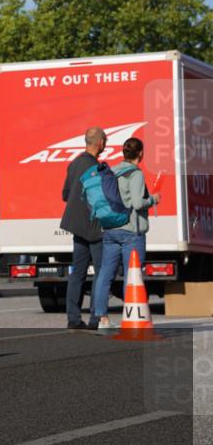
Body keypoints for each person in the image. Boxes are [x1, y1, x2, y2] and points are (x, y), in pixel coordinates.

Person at [89, 137, 159, 331]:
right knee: (133, 275)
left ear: (123, 153)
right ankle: (134, 317)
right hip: (131, 231)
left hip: (110, 230)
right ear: (141, 154)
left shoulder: (112, 171)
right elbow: (137, 203)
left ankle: (101, 318)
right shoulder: (136, 174)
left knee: (105, 274)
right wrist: (153, 199)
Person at [60, 126, 107, 330]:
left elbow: (65, 194)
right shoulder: (97, 168)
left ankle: (73, 318)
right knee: (101, 272)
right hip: (95, 227)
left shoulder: (74, 163)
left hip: (77, 226)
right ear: (101, 143)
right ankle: (96, 318)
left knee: (77, 272)